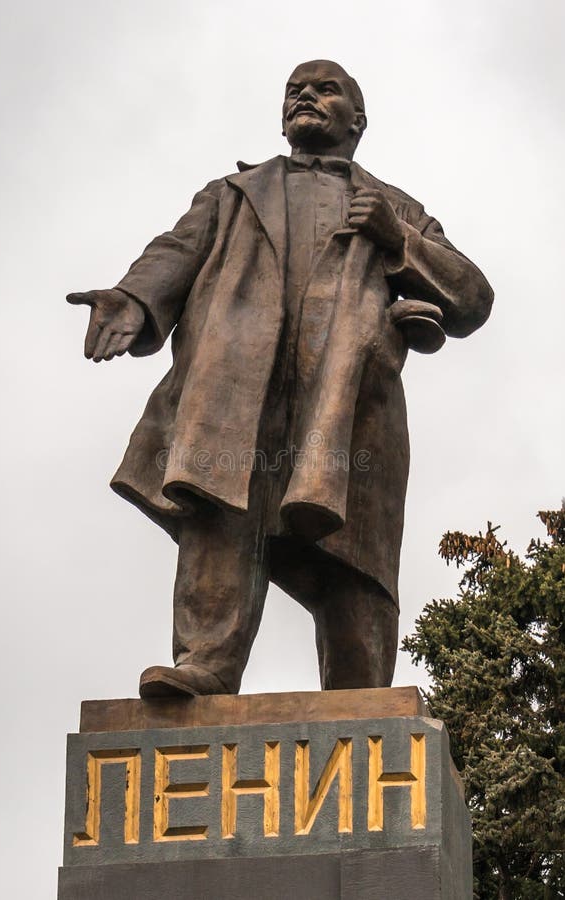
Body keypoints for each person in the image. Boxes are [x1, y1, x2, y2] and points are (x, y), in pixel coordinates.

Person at [68, 60, 493, 698]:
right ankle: (205, 664)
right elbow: (175, 251)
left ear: (359, 119)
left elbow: (471, 298)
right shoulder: (234, 193)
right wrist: (132, 299)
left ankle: (359, 693)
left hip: (348, 398)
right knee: (220, 516)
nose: (305, 96)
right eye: (295, 89)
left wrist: (396, 238)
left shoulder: (396, 206)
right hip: (236, 387)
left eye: (326, 89)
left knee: (355, 550)